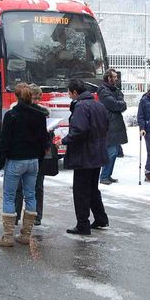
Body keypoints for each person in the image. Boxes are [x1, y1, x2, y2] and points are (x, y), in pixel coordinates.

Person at [0, 83, 48, 247]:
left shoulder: (11, 115)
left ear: (17, 97)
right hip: (33, 161)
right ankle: (25, 234)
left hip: (16, 161)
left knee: (9, 196)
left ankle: (8, 236)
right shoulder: (40, 115)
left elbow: (4, 143)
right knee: (31, 195)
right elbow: (43, 142)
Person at [63, 79, 110, 235]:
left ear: (75, 92)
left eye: (69, 93)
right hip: (98, 153)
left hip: (84, 154)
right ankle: (101, 218)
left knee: (81, 190)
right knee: (92, 188)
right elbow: (105, 126)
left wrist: (64, 140)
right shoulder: (99, 105)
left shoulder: (81, 107)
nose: (69, 96)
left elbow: (79, 130)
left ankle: (83, 224)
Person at [14, 84, 50, 226]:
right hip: (24, 154)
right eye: (34, 98)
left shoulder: (43, 113)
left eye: (38, 98)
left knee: (37, 187)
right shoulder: (16, 111)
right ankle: (16, 215)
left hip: (38, 154)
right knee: (19, 188)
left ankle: (36, 216)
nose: (36, 101)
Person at [97, 69, 127, 185]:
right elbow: (114, 104)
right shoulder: (103, 90)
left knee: (114, 152)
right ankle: (104, 176)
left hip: (115, 125)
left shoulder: (115, 90)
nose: (116, 79)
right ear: (109, 78)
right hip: (108, 125)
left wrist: (120, 103)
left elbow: (122, 103)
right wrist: (120, 103)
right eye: (114, 77)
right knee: (111, 152)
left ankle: (108, 175)